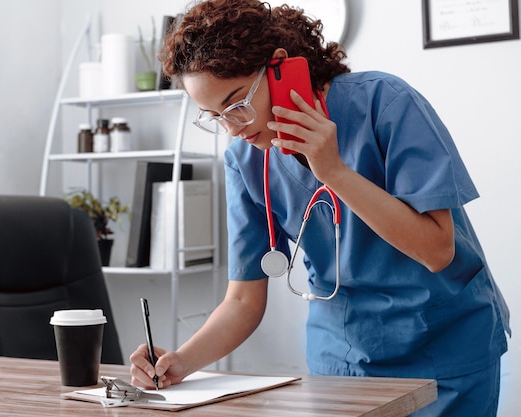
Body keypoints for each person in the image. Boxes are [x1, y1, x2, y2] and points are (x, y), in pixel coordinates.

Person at [129, 1, 511, 415]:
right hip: (342, 361)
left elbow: (437, 251)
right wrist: (182, 362)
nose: (233, 128)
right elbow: (242, 302)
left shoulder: (386, 103)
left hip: (445, 351)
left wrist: (334, 171)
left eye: (236, 104)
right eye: (214, 117)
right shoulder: (245, 160)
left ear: (277, 66)